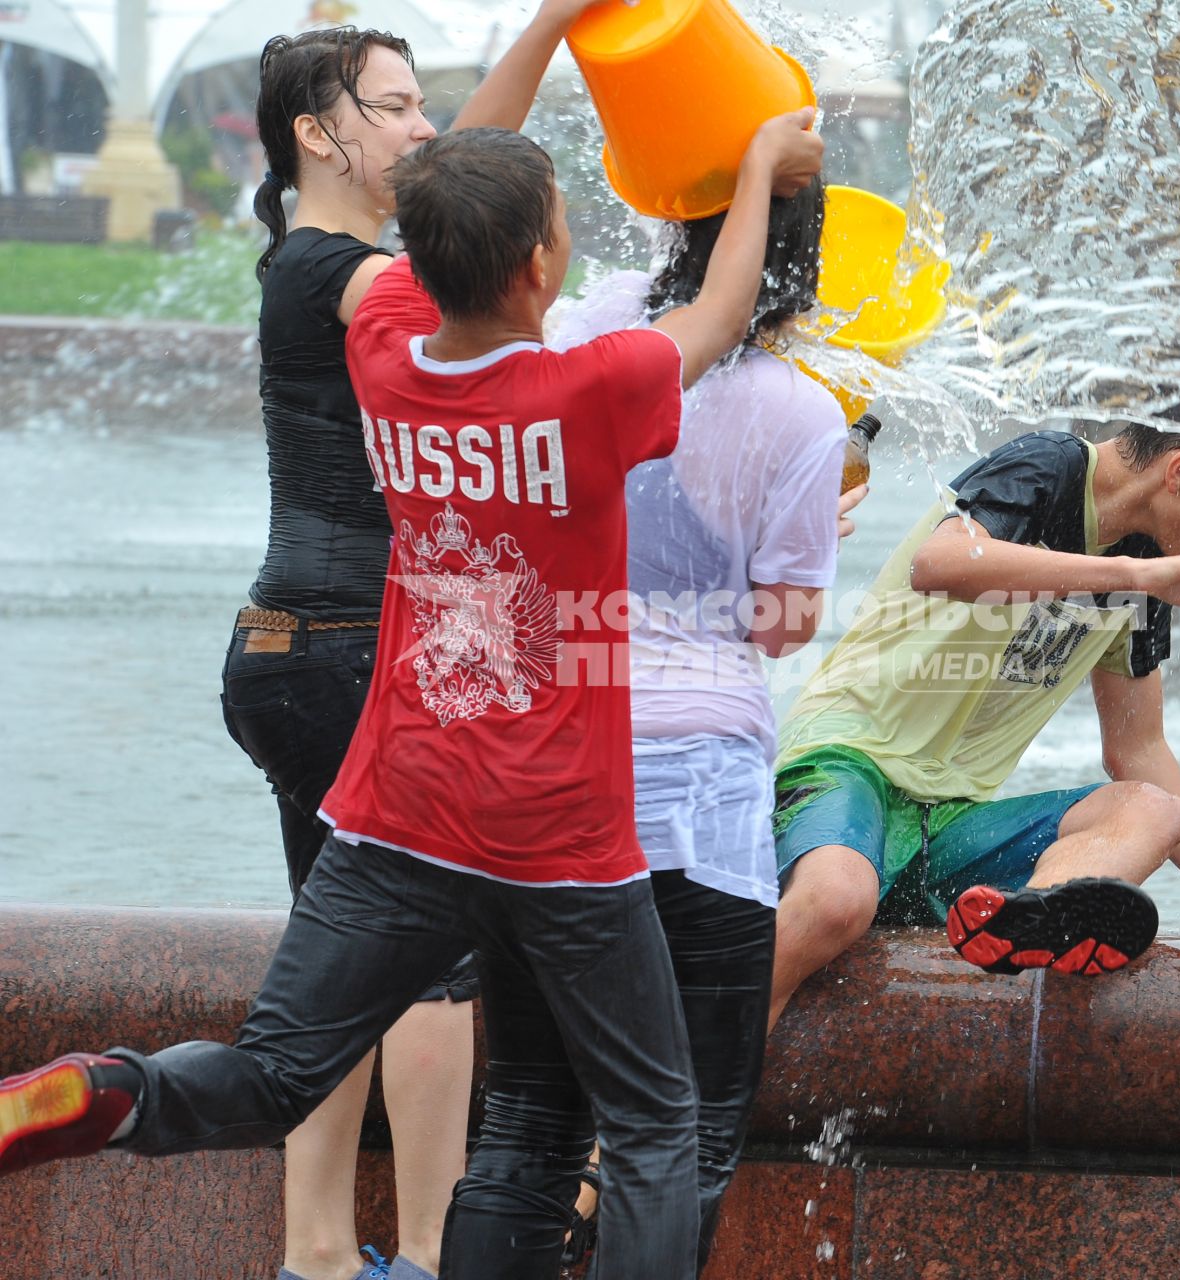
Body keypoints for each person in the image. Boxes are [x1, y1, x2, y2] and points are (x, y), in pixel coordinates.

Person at [0, 112, 824, 1280]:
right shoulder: (587, 389)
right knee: (650, 1128)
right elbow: (723, 312)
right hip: (561, 841)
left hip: (400, 814)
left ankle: (109, 1089)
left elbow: (427, 228)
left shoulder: (388, 352)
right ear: (541, 265)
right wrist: (751, 169)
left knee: (277, 1071)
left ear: (422, 258)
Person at [224, 10, 605, 1278]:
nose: (422, 123)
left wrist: (549, 25)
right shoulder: (359, 276)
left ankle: (320, 1255)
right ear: (317, 135)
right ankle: (436, 1252)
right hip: (345, 648)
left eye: (417, 102)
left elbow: (461, 183)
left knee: (336, 969)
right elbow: (473, 235)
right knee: (436, 964)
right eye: (392, 106)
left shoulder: (304, 255)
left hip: (292, 646)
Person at [768, 396, 1180, 1027]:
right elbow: (942, 563)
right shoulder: (1052, 466)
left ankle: (1023, 920)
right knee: (837, 901)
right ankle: (692, 1097)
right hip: (844, 765)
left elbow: (1137, 748)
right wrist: (1133, 575)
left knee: (1153, 809)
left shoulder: (1150, 562)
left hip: (948, 820)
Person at [549, 175, 852, 1271]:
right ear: (805, 266)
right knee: (689, 1121)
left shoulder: (595, 328)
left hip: (563, 757)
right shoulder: (803, 412)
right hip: (702, 796)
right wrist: (811, 537)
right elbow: (780, 624)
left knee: (531, 1113)